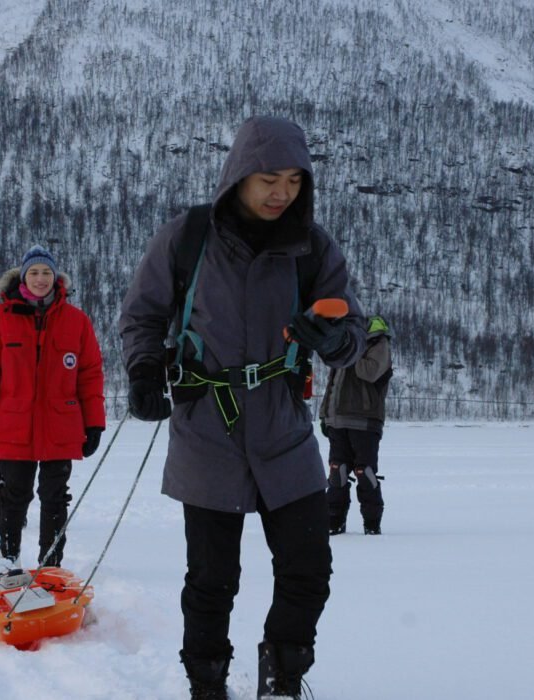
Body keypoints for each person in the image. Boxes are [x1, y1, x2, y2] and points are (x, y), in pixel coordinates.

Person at [119, 116, 366, 700]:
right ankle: (206, 684)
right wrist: (144, 368)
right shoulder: (188, 238)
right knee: (211, 581)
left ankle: (281, 679)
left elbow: (352, 327)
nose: (282, 193)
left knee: (308, 570)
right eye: (268, 179)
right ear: (238, 176)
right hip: (208, 431)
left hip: (284, 433)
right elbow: (142, 316)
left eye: (294, 181)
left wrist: (334, 340)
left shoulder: (312, 246)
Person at [0, 245, 106, 571]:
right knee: (15, 496)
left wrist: (94, 423)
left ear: (56, 279)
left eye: (46, 273)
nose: (41, 279)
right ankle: (9, 562)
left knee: (55, 498)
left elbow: (90, 374)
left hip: (61, 424)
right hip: (13, 425)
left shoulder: (76, 321)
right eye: (34, 272)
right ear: (23, 276)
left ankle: (50, 567)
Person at [319, 314, 393, 536]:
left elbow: (369, 372)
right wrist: (325, 414)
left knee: (365, 472)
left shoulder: (379, 343)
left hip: (366, 420)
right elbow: (332, 384)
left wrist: (350, 353)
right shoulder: (346, 345)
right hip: (337, 419)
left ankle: (372, 524)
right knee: (337, 473)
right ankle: (334, 522)